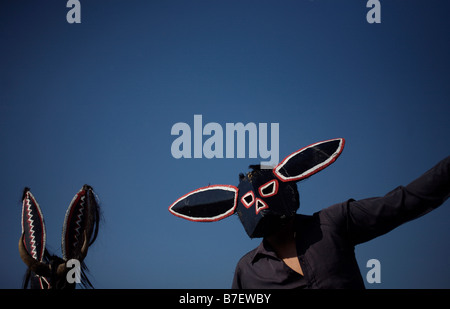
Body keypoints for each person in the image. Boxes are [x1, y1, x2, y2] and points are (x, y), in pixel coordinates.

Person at [168, 138, 449, 289]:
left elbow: (405, 201)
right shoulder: (247, 271)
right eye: (251, 200)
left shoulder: (334, 222)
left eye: (267, 193)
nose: (261, 206)